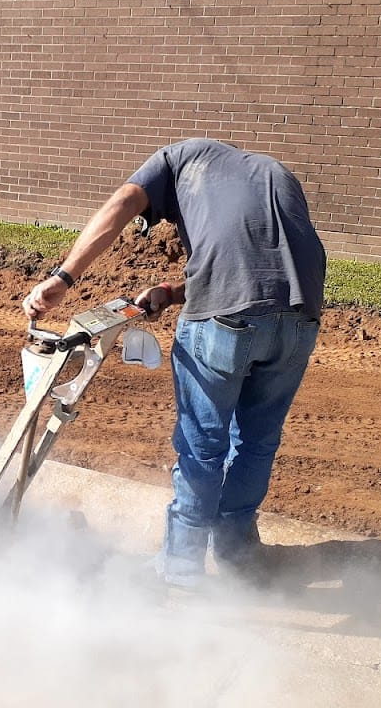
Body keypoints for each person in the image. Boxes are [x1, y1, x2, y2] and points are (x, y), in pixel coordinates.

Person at [22, 138, 326, 588]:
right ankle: (236, 552)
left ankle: (180, 568)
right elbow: (254, 263)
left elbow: (124, 201)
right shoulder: (266, 172)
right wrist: (172, 291)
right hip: (300, 319)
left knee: (203, 446)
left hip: (226, 323)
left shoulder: (175, 159)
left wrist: (62, 278)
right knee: (257, 442)